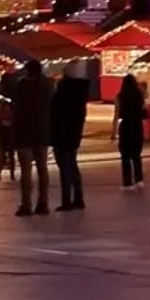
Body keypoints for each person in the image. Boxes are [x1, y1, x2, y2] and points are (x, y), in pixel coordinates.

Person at [0, 60, 53, 217]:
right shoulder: (49, 86)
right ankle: (43, 203)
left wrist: (10, 74)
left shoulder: (21, 87)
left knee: (26, 169)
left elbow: (3, 89)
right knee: (42, 167)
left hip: (23, 130)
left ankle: (26, 204)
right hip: (43, 129)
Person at [50, 69, 87, 211]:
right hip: (73, 135)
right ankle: (78, 197)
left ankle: (67, 200)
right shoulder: (80, 93)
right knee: (72, 166)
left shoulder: (62, 94)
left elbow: (57, 115)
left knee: (65, 168)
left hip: (61, 135)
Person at [113, 73, 147, 191]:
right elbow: (144, 109)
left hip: (126, 126)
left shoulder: (119, 96)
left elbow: (116, 115)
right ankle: (139, 180)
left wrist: (113, 132)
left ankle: (127, 183)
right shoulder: (139, 95)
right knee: (137, 155)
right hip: (137, 126)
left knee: (125, 156)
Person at [0, 94, 16, 182]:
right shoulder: (0, 114)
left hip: (9, 137)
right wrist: (1, 124)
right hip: (3, 137)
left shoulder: (11, 114)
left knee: (10, 156)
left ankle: (12, 175)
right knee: (3, 156)